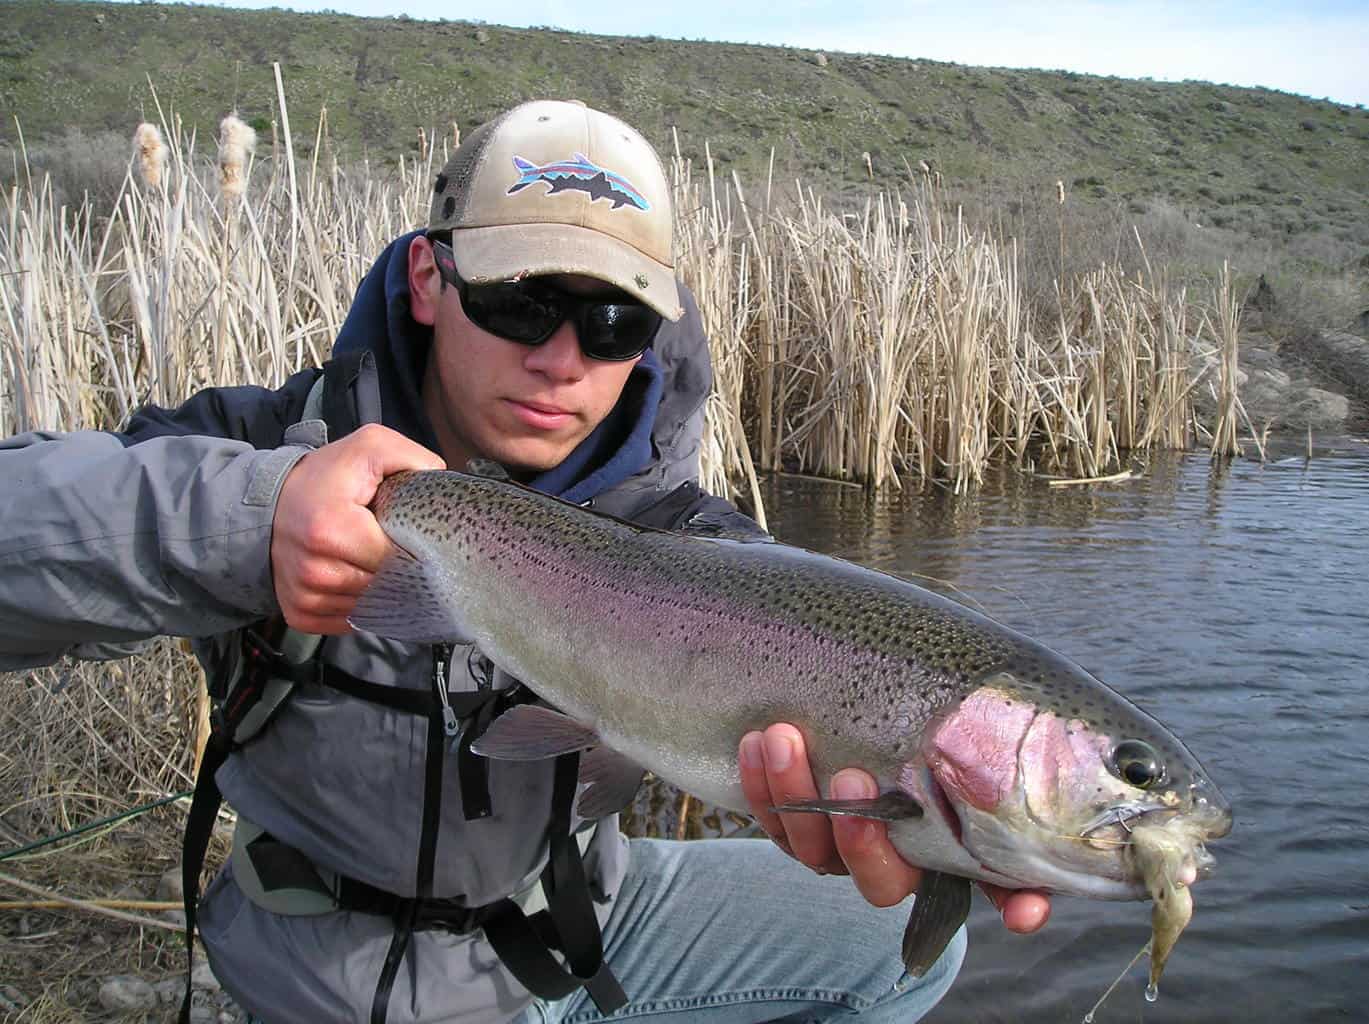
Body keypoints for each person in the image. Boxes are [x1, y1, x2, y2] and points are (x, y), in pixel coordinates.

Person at [0, 99, 1049, 1023]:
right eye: (518, 300)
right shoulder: (263, 443)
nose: (559, 357)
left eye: (610, 319)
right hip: (308, 966)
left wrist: (925, 818)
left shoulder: (699, 549)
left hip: (568, 942)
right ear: (428, 277)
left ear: (651, 333)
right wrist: (250, 519)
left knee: (902, 946)